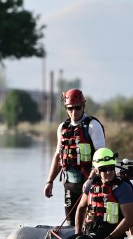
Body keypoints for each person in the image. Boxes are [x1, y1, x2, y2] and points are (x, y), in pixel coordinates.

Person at [30, 148, 133, 239]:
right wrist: (78, 232)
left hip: (108, 231)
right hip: (90, 232)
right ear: (97, 171)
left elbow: (129, 219)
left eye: (111, 168)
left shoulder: (123, 188)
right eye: (104, 169)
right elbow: (80, 209)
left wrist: (112, 236)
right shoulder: (91, 185)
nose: (109, 172)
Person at [43, 88, 106, 222]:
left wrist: (90, 180)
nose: (74, 112)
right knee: (71, 223)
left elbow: (101, 158)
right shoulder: (62, 128)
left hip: (90, 183)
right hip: (70, 185)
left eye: (77, 108)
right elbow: (58, 156)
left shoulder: (93, 126)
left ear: (83, 106)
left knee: (90, 221)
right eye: (70, 108)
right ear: (66, 108)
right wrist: (49, 181)